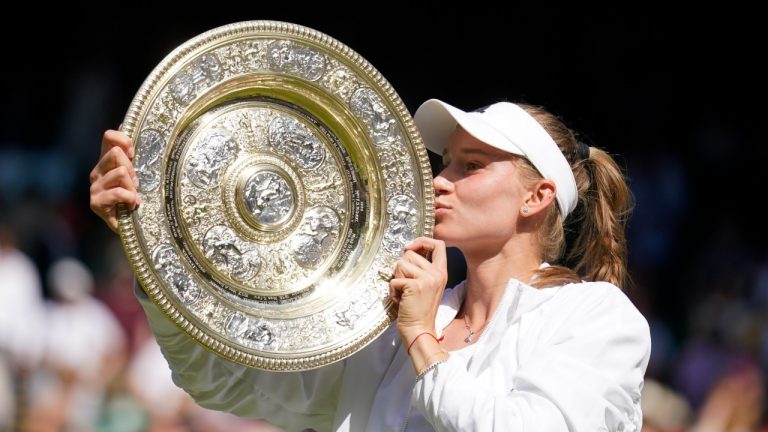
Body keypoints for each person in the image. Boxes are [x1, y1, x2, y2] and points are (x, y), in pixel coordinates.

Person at [90, 98, 652, 431]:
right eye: (445, 161)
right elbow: (225, 382)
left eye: (471, 166)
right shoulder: (393, 319)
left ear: (537, 197)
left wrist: (420, 340)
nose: (439, 181)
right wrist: (150, 247)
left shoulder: (595, 317)